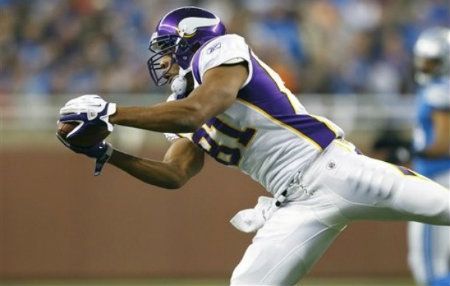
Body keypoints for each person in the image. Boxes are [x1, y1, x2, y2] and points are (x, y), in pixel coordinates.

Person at [57, 7, 450, 285]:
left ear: (188, 42)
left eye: (165, 48)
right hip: (294, 206)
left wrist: (111, 112)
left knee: (444, 207)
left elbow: (199, 111)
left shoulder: (222, 51)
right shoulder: (174, 108)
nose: (161, 62)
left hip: (335, 168)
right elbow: (175, 174)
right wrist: (109, 154)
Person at [408, 27, 450, 286]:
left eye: (431, 61)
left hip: (437, 180)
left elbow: (444, 143)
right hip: (441, 179)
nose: (425, 67)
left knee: (428, 267)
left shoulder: (440, 91)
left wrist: (407, 149)